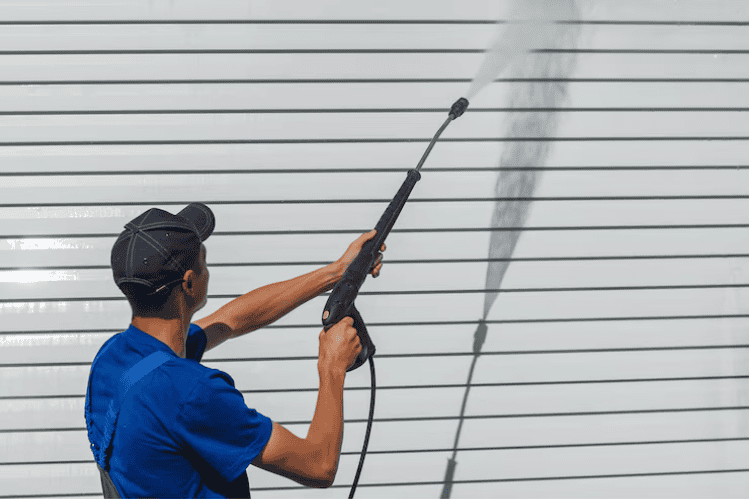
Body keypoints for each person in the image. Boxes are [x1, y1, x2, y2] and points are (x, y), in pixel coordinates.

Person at [84, 203, 385, 498]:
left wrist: (335, 273)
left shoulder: (113, 359)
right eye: (204, 261)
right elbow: (318, 466)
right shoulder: (193, 393)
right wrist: (332, 366)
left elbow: (230, 320)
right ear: (189, 283)